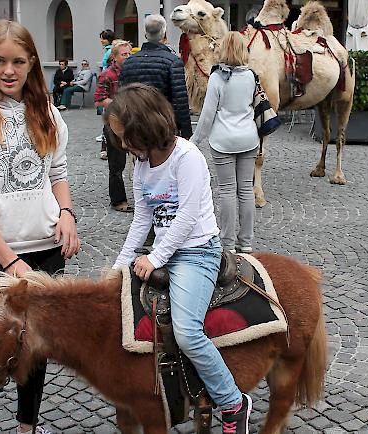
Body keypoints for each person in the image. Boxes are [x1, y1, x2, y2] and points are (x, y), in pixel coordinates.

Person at [0, 20, 80, 434]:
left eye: (18, 61)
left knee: (34, 349)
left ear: (31, 64)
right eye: (1, 61)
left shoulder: (48, 113)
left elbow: (56, 171)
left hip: (47, 250)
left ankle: (28, 426)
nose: (9, 70)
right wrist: (9, 262)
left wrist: (67, 213)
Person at [108, 83, 253, 434]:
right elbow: (142, 219)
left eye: (127, 137)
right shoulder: (141, 165)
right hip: (167, 251)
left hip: (197, 252)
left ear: (145, 127)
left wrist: (156, 257)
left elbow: (187, 216)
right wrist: (118, 267)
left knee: (188, 333)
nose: (124, 146)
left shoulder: (187, 157)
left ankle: (233, 403)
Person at [190, 32, 259, 254]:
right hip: (249, 138)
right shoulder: (251, 76)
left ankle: (227, 243)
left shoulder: (218, 78)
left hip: (223, 141)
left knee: (228, 190)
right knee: (246, 190)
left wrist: (195, 141)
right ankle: (246, 242)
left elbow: (207, 114)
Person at [119, 14, 192, 139]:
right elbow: (180, 100)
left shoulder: (128, 62)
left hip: (136, 126)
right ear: (164, 34)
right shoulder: (173, 62)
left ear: (146, 34)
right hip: (163, 126)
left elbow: (122, 97)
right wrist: (186, 133)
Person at [95, 39, 133, 212]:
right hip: (114, 122)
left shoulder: (133, 72)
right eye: (124, 54)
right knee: (117, 165)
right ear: (115, 57)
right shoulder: (107, 74)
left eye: (129, 54)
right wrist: (120, 105)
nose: (127, 57)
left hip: (132, 122)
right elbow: (99, 99)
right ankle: (118, 201)